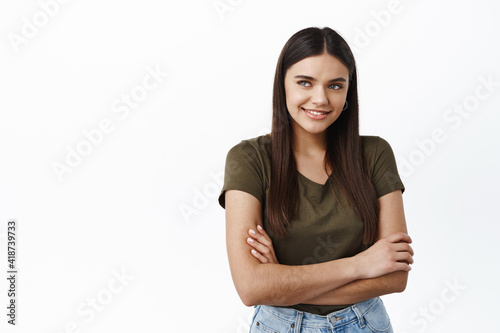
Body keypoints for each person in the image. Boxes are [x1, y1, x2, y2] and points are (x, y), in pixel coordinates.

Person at [218, 27, 413, 333]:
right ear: (282, 84)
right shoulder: (248, 159)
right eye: (305, 82)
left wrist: (281, 282)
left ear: (349, 90)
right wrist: (360, 265)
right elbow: (251, 288)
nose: (320, 98)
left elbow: (395, 277)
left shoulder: (375, 153)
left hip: (364, 323)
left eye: (335, 85)